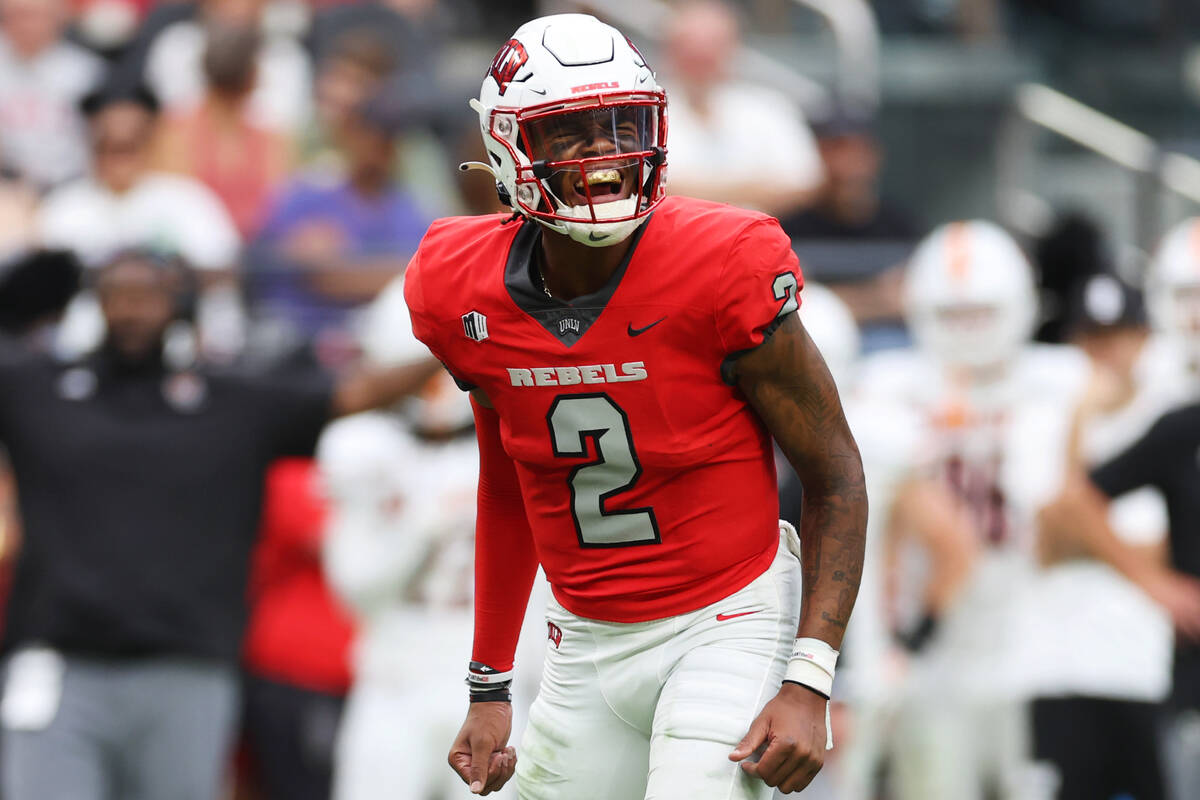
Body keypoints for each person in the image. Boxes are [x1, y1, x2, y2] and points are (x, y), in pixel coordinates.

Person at [403, 14, 866, 798]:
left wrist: (811, 675)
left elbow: (836, 474)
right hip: (584, 639)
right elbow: (508, 481)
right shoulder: (458, 285)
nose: (605, 155)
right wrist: (488, 683)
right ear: (509, 149)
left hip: (728, 619)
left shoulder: (721, 263)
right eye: (571, 134)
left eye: (620, 125)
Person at [0, 249, 438, 800]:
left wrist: (457, 344)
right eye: (117, 294)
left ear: (181, 306)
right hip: (58, 666)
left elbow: (354, 393)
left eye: (148, 294)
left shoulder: (232, 402)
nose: (131, 309)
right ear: (95, 303)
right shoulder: (39, 389)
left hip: (188, 669)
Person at [857, 221, 1091, 800]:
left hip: (1035, 622)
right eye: (952, 315)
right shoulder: (889, 384)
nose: (968, 331)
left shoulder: (1063, 381)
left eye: (982, 313)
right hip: (936, 639)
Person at [322, 276, 547, 800]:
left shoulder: (520, 444)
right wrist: (425, 524)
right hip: (395, 677)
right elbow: (354, 586)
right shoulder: (363, 447)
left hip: (502, 686)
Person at [1023, 272, 1174, 800]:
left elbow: (1160, 548)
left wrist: (1081, 526)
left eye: (1119, 336)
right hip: (1061, 667)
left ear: (1145, 339)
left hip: (1145, 668)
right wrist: (1080, 422)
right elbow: (1048, 542)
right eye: (1092, 338)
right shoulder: (1048, 420)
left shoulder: (1170, 419)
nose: (1105, 353)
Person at [37, 82, 246, 360]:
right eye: (109, 144)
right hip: (81, 355)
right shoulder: (63, 208)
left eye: (130, 143)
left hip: (175, 353)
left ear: (151, 137)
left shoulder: (188, 200)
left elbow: (222, 277)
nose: (119, 153)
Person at [659, 0, 823, 218]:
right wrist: (751, 188)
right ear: (669, 51)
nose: (701, 56)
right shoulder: (645, 115)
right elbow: (643, 187)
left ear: (733, 48)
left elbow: (806, 184)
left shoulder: (771, 108)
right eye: (689, 47)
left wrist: (689, 190)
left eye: (712, 45)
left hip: (762, 240)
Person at [153, 22, 293, 238]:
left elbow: (277, 205)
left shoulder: (270, 137)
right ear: (252, 76)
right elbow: (176, 205)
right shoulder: (175, 133)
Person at [0, 0, 103, 189]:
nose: (25, 24)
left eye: (34, 16)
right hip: (7, 186)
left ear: (58, 18)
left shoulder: (85, 71)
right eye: (16, 15)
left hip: (71, 186)